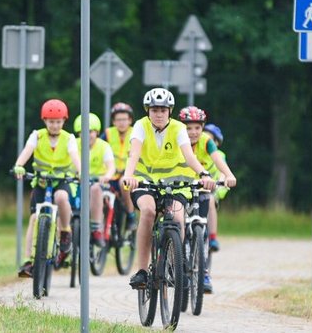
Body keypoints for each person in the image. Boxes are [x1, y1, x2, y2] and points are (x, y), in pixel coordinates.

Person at [120, 88, 216, 289]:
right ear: (148, 110)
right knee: (148, 211)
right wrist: (128, 175)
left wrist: (204, 174)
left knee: (178, 219)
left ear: (170, 111)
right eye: (154, 109)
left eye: (163, 109)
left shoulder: (179, 128)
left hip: (174, 184)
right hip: (144, 182)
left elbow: (189, 157)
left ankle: (174, 262)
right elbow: (134, 153)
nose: (159, 114)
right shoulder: (140, 126)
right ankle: (142, 271)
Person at [13, 99, 81, 278]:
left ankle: (65, 231)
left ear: (64, 121)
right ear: (44, 121)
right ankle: (28, 260)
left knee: (61, 198)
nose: (55, 125)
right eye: (51, 122)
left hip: (61, 182)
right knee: (35, 218)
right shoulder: (37, 135)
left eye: (58, 122)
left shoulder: (69, 138)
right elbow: (27, 151)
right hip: (41, 183)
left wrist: (81, 172)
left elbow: (75, 156)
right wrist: (19, 165)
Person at [178, 107, 237, 293]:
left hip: (202, 188)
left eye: (197, 127)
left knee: (200, 227)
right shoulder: (177, 140)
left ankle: (203, 272)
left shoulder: (207, 142)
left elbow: (218, 160)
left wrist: (228, 175)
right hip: (180, 186)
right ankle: (174, 260)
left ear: (202, 128)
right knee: (174, 222)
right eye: (189, 128)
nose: (193, 132)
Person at [73, 113, 116, 247]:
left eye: (90, 132)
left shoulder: (104, 146)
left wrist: (107, 176)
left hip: (97, 182)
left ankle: (96, 228)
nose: (87, 135)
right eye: (82, 132)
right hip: (76, 181)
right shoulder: (73, 144)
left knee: (95, 189)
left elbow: (111, 166)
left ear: (97, 132)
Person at [101, 102, 137, 231]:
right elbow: (99, 150)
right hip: (110, 175)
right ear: (113, 121)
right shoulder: (108, 134)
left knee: (124, 183)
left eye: (124, 119)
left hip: (129, 176)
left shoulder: (136, 134)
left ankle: (131, 215)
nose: (121, 122)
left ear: (130, 120)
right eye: (118, 119)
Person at [203, 123, 230, 251]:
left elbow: (223, 174)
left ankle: (212, 237)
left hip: (212, 189)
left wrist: (219, 188)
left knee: (210, 201)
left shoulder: (219, 155)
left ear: (216, 143)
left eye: (210, 140)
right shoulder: (195, 150)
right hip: (194, 187)